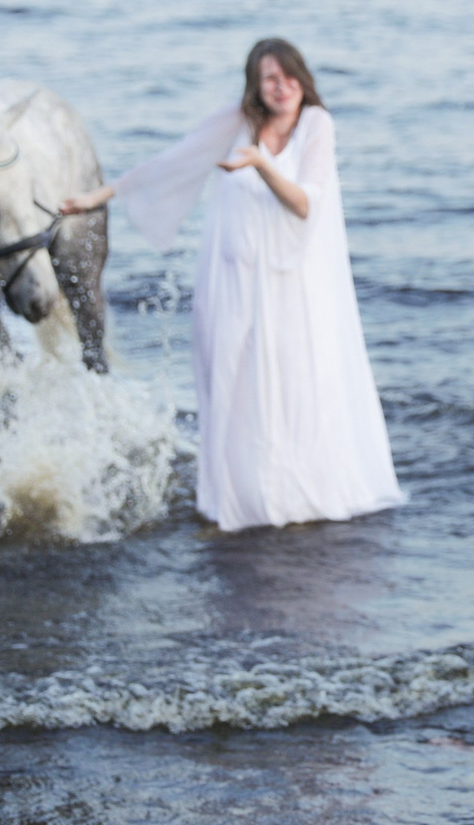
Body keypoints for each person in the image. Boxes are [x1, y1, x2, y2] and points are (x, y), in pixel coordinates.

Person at [62, 38, 403, 532]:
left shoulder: (316, 125)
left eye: (288, 77)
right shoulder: (237, 123)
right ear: (255, 85)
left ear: (302, 80)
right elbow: (173, 161)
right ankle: (237, 499)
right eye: (269, 78)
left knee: (296, 387)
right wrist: (99, 195)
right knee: (233, 382)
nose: (280, 87)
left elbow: (306, 203)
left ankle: (298, 496)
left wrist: (261, 165)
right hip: (233, 281)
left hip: (293, 288)